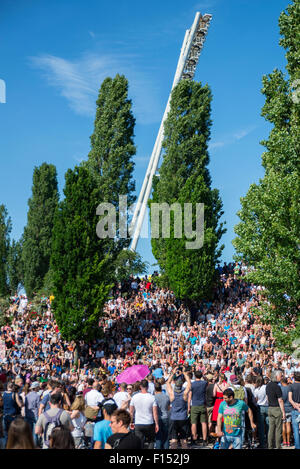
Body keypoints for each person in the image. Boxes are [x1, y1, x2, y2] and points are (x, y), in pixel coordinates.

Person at [167, 367, 191, 449]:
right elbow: (189, 383)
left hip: (174, 417)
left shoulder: (172, 394)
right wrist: (184, 373)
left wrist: (173, 373)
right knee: (183, 440)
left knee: (174, 439)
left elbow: (168, 383)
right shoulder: (184, 394)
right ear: (181, 385)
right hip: (183, 417)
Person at [130, 379, 159, 449]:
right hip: (149, 422)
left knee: (139, 443)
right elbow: (155, 413)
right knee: (151, 441)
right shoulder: (152, 397)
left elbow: (131, 412)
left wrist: (131, 422)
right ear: (148, 387)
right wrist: (157, 424)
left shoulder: (134, 397)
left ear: (140, 386)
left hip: (138, 422)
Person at [266, 370, 286, 449]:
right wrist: (283, 412)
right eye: (280, 376)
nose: (281, 377)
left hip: (270, 408)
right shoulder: (277, 387)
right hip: (277, 408)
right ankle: (278, 446)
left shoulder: (268, 385)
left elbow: (267, 398)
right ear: (276, 376)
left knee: (271, 429)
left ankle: (270, 446)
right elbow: (280, 400)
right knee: (278, 430)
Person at [189, 371, 208, 447]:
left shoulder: (192, 384)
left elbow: (190, 396)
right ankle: (204, 440)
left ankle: (194, 439)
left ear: (194, 376)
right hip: (202, 404)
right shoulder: (204, 383)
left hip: (194, 404)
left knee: (194, 423)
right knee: (203, 423)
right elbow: (207, 380)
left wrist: (188, 407)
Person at [254, 375, 269, 448]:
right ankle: (269, 442)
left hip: (260, 407)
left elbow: (256, 400)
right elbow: (268, 397)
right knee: (268, 426)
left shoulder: (257, 390)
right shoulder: (266, 387)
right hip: (267, 406)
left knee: (261, 427)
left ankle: (262, 443)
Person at [154, 382, 170, 449]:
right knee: (165, 436)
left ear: (155, 389)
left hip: (157, 418)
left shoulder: (153, 397)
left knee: (158, 437)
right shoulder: (166, 396)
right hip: (165, 416)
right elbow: (168, 407)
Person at [288, 372, 300, 449]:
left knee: (295, 430)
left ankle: (297, 446)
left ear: (294, 378)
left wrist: (296, 405)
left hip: (294, 409)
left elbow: (290, 399)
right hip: (297, 407)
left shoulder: (291, 386)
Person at [280, 377, 293, 447]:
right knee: (288, 425)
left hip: (283, 409)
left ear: (282, 382)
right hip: (290, 408)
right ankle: (288, 441)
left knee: (283, 425)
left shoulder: (280, 389)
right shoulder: (290, 388)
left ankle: (284, 441)